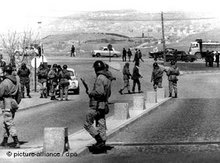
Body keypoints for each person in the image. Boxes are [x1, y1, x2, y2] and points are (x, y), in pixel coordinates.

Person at [84, 60, 111, 154]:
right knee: (101, 124)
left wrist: (91, 93)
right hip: (103, 105)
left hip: (95, 105)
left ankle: (99, 141)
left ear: (96, 69)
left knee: (87, 124)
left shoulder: (100, 78)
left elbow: (99, 92)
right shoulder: (107, 78)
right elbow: (108, 93)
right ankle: (102, 144)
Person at [0, 65, 21, 148]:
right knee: (6, 122)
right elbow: (20, 93)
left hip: (6, 103)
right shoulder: (16, 80)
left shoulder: (4, 82)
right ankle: (4, 141)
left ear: (5, 72)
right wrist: (16, 103)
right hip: (13, 102)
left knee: (9, 122)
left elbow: (0, 93)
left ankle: (16, 141)